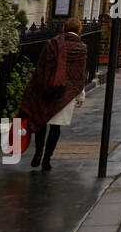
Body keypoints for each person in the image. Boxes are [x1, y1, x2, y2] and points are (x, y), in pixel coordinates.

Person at [17, 17, 89, 171]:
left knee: (41, 122)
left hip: (46, 89)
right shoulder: (81, 48)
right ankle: (46, 160)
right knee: (56, 128)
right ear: (79, 30)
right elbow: (79, 75)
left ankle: (37, 153)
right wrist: (80, 96)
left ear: (64, 28)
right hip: (66, 94)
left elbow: (41, 68)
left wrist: (36, 88)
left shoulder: (52, 44)